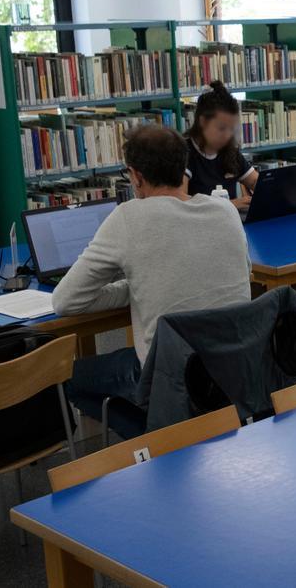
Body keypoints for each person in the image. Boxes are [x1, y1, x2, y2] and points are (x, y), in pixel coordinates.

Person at [53, 125, 252, 434]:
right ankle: (174, 434)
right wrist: (138, 286)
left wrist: (132, 289)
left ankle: (159, 442)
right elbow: (242, 273)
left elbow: (65, 301)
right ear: (183, 168)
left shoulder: (128, 218)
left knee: (64, 377)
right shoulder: (225, 210)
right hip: (234, 364)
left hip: (169, 372)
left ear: (136, 176)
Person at [183, 81, 258, 211]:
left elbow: (255, 182)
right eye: (222, 128)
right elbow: (180, 203)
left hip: (230, 225)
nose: (228, 135)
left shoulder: (229, 150)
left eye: (232, 128)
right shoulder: (183, 153)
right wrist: (231, 204)